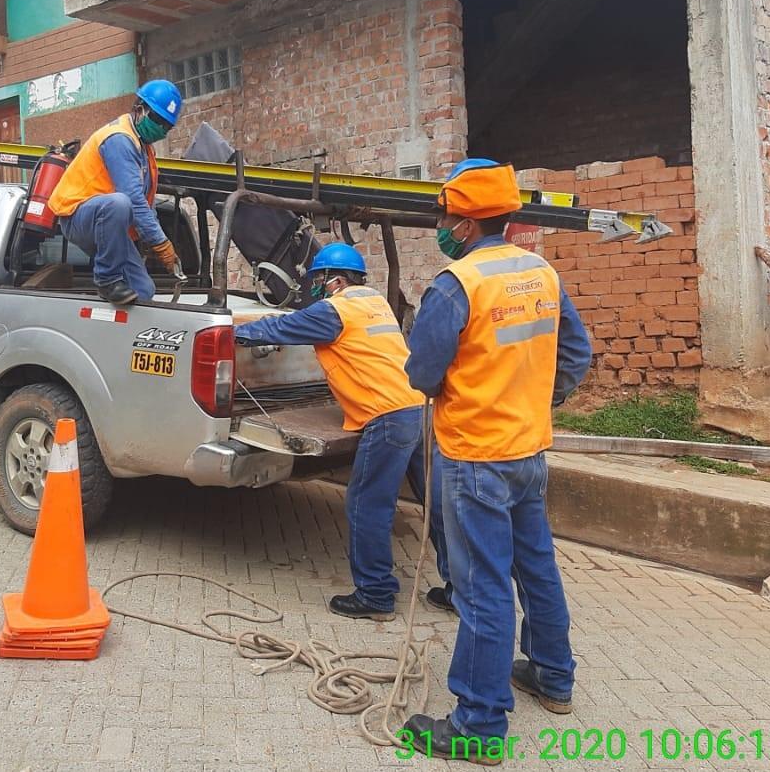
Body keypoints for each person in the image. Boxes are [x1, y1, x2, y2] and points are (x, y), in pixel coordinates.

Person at [399, 158, 592, 765]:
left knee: (482, 590)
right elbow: (577, 353)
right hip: (529, 452)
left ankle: (479, 725)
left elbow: (424, 373)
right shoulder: (542, 273)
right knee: (536, 567)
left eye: (444, 214)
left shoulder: (456, 285)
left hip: (475, 457)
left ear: (463, 218)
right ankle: (553, 677)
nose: (442, 224)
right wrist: (538, 398)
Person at [233, 243, 453, 621]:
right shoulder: (376, 303)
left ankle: (375, 594)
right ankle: (459, 591)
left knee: (367, 505)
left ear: (333, 280)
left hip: (388, 418)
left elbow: (283, 327)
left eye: (319, 279)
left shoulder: (334, 310)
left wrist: (237, 332)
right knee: (436, 503)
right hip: (419, 411)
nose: (316, 287)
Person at [47, 80, 184, 305]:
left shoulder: (143, 148)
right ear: (140, 109)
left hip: (104, 224)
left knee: (143, 290)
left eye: (166, 126)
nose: (161, 129)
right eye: (158, 120)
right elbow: (133, 200)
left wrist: (153, 240)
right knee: (119, 203)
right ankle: (107, 280)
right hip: (77, 216)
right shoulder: (120, 139)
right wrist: (160, 243)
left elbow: (146, 204)